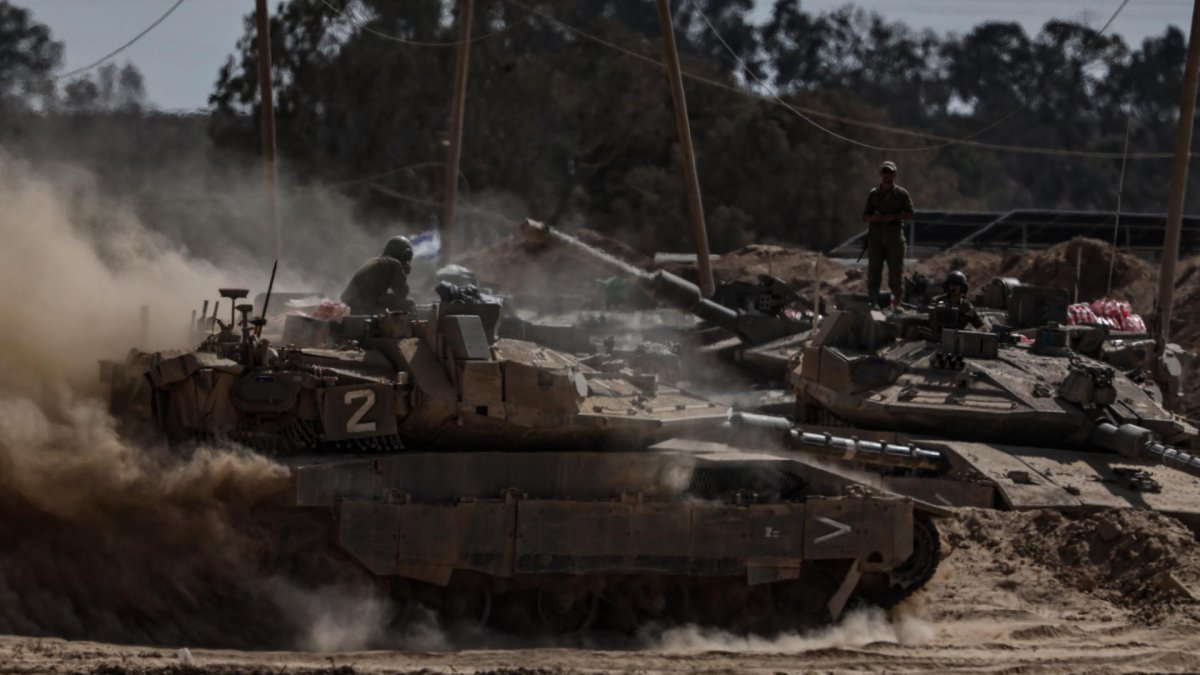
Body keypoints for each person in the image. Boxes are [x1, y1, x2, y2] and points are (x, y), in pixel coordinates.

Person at [862, 160, 915, 308]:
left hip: (894, 235)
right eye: (885, 172)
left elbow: (910, 214)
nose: (887, 175)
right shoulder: (874, 194)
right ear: (881, 173)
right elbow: (865, 216)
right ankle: (873, 301)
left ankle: (896, 302)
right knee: (874, 271)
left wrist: (896, 216)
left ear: (895, 174)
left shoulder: (901, 194)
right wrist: (874, 218)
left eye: (890, 172)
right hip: (876, 236)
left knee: (895, 272)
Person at [340, 235, 415, 315]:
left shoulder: (379, 261)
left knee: (388, 298)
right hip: (363, 306)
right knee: (409, 304)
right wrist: (404, 272)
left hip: (351, 305)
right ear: (405, 254)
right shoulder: (394, 263)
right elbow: (403, 293)